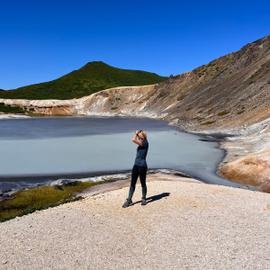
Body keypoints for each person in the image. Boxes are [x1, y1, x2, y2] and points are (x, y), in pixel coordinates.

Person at [122, 130, 149, 208]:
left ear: (143, 137)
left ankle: (144, 198)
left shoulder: (145, 143)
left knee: (143, 183)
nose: (139, 137)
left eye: (140, 136)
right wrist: (137, 134)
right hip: (136, 165)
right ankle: (129, 200)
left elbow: (133, 139)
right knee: (132, 183)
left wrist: (136, 133)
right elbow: (135, 139)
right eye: (139, 136)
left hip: (142, 166)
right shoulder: (141, 143)